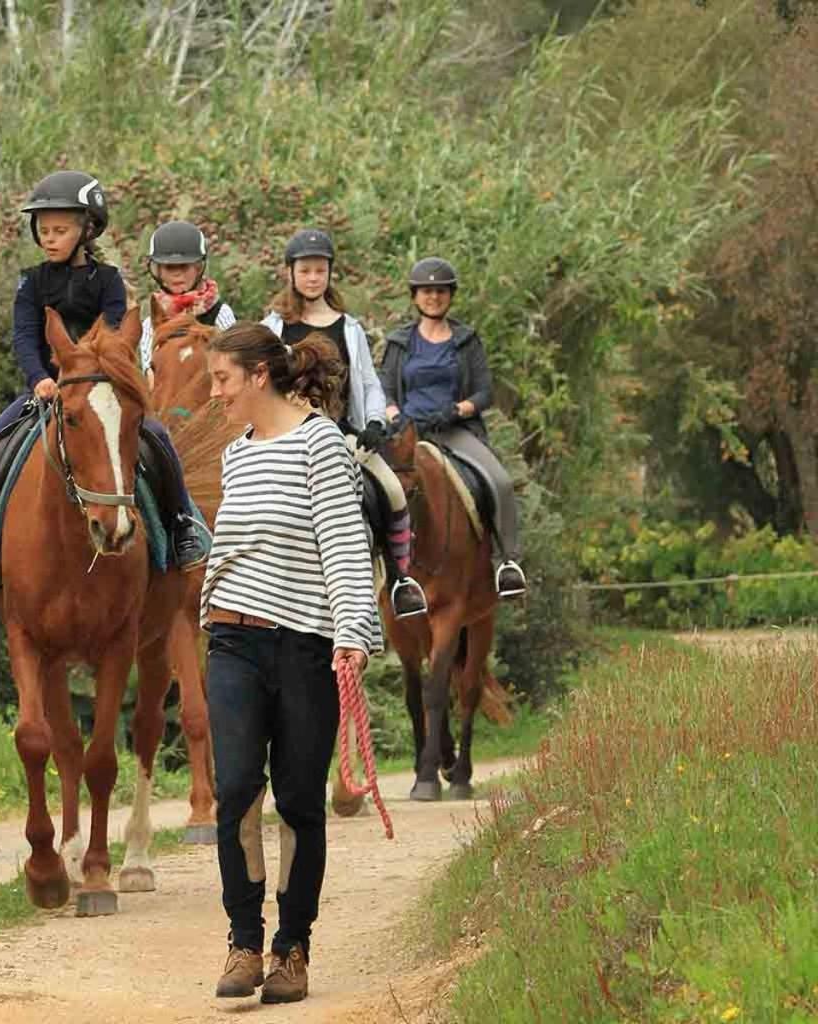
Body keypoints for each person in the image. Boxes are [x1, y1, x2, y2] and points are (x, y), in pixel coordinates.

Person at [200, 321, 382, 1005]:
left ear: (256, 375)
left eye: (222, 380)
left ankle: (292, 949)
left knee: (299, 801)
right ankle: (244, 942)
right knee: (238, 789)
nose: (216, 394)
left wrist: (352, 633)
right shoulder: (237, 455)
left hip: (306, 644)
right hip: (234, 642)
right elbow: (229, 549)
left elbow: (340, 544)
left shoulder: (322, 445)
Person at [0, 171, 207, 572]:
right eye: (43, 230)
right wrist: (39, 378)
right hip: (47, 391)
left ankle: (180, 527)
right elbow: (25, 337)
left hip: (103, 391)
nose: (49, 238)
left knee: (158, 440)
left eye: (60, 230)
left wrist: (95, 373)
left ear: (87, 231)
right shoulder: (30, 283)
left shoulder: (109, 281)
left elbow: (116, 338)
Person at [262, 228, 426, 619]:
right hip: (287, 436)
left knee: (392, 490)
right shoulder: (273, 326)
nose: (313, 278)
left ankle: (402, 580)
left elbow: (368, 382)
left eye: (320, 270)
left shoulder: (348, 327)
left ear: (330, 274)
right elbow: (262, 381)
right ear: (291, 273)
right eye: (306, 270)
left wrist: (372, 421)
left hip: (341, 435)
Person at [378, 257, 527, 597]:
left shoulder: (466, 340)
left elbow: (484, 392)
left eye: (441, 291)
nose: (434, 297)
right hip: (408, 434)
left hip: (454, 430)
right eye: (427, 291)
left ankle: (508, 563)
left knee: (501, 482)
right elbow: (383, 388)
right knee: (371, 489)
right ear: (415, 296)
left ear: (450, 296)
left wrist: (456, 410)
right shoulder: (399, 342)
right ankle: (372, 572)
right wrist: (395, 417)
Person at [138, 219, 237, 388]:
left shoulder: (220, 313)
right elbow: (151, 377)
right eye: (169, 267)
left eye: (184, 266)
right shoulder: (150, 325)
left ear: (198, 268)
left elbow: (234, 363)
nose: (177, 274)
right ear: (158, 271)